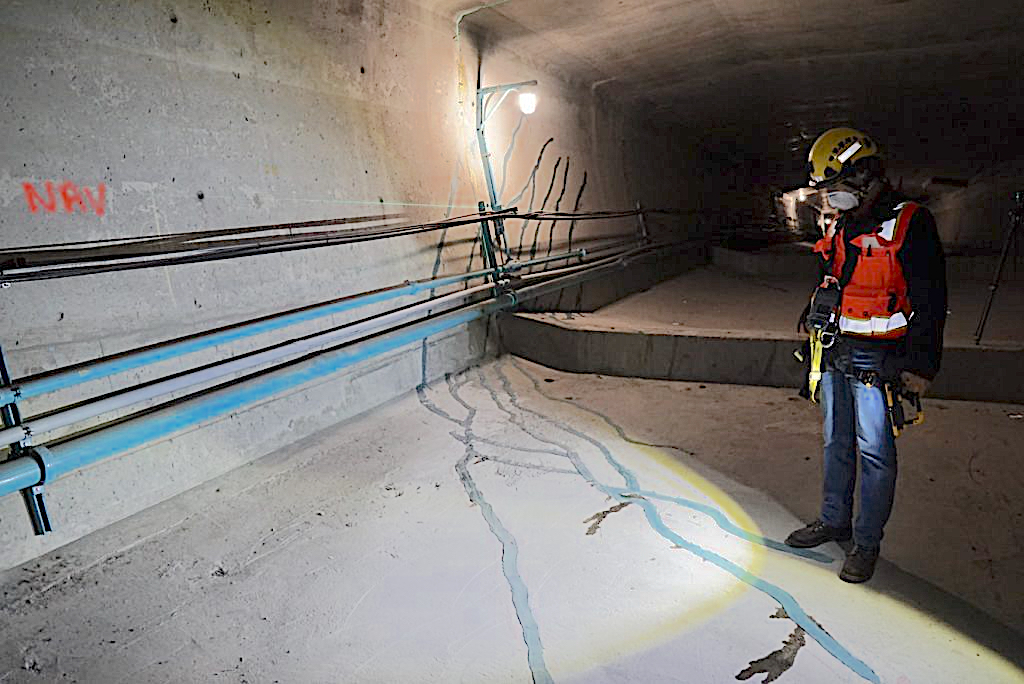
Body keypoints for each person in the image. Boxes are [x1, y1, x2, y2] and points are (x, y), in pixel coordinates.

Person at [785, 127, 947, 583]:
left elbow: (932, 299)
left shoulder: (911, 221)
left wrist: (921, 365)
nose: (829, 202)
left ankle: (866, 543)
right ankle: (833, 519)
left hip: (879, 360)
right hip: (836, 350)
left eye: (835, 191)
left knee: (874, 452)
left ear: (866, 175)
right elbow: (833, 278)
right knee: (836, 441)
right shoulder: (841, 223)